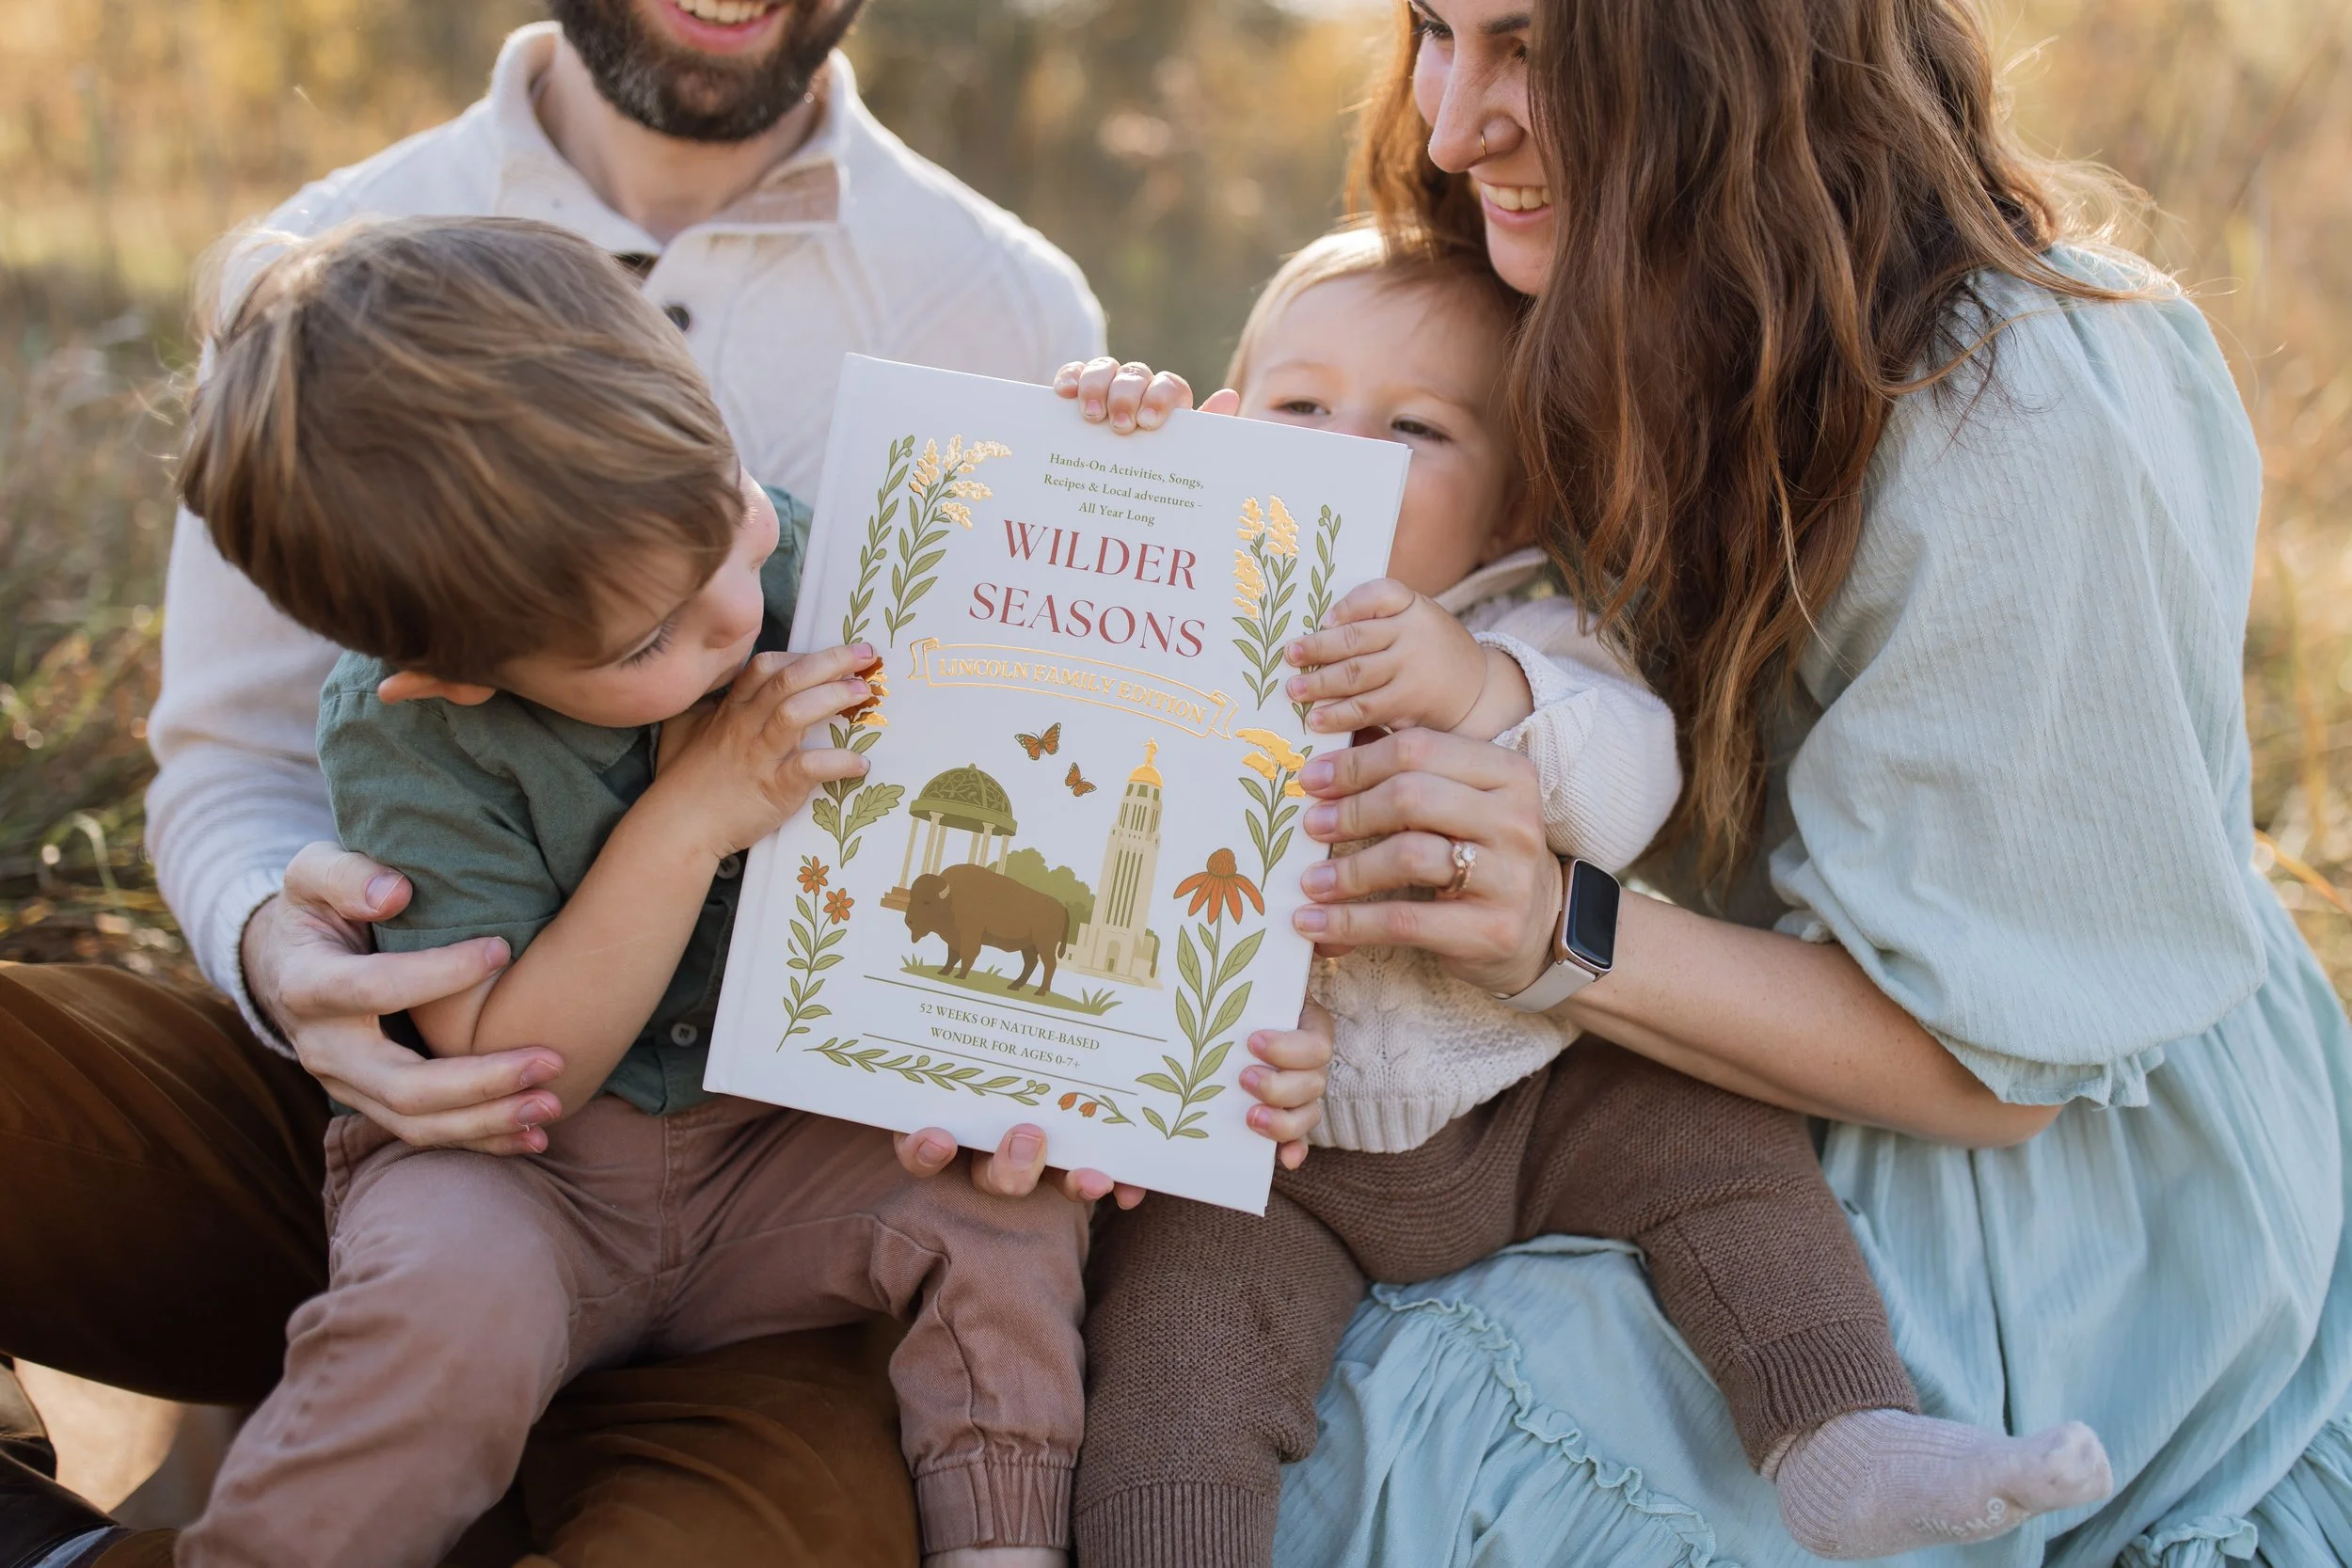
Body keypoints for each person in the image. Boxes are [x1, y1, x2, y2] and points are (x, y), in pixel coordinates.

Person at [0, 4, 1154, 1564]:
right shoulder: (339, 326)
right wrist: (287, 950)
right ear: (454, 677)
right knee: (441, 1311)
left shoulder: (998, 304)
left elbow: (1072, 679)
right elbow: (261, 804)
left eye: (736, 521)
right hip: (493, 1147)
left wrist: (1125, 473)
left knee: (971, 1255)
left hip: (780, 1169)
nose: (742, 616)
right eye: (647, 635)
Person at [1253, 1, 2352, 1564]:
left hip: (2009, 1180)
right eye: (1434, 28)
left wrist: (1557, 924)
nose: (1449, 125)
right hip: (1620, 1066)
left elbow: (1999, 1074)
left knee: (1398, 1466)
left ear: (1735, 56)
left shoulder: (2016, 404)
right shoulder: (1562, 297)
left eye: (1538, 54)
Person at [1057, 226, 2112, 1566]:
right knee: (1177, 1345)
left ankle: (1835, 1429)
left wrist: (1481, 693)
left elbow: (1627, 791)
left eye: (1414, 429)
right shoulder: (1179, 611)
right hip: (1286, 1153)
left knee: (1723, 1142)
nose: (1339, 448)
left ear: (1511, 505)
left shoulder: (1526, 624)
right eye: (1300, 407)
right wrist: (1110, 461)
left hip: (1532, 1090)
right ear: (1231, 423)